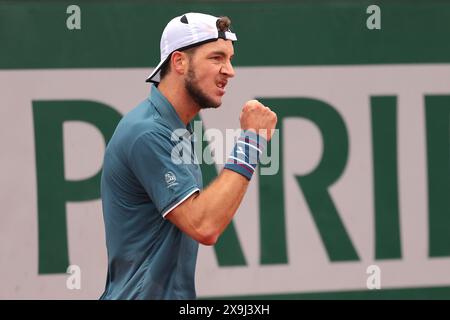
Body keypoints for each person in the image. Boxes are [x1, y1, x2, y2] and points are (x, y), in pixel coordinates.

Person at [100, 12, 277, 300]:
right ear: (179, 62)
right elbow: (204, 225)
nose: (229, 70)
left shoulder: (171, 128)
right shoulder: (148, 133)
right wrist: (252, 141)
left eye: (229, 59)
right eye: (217, 58)